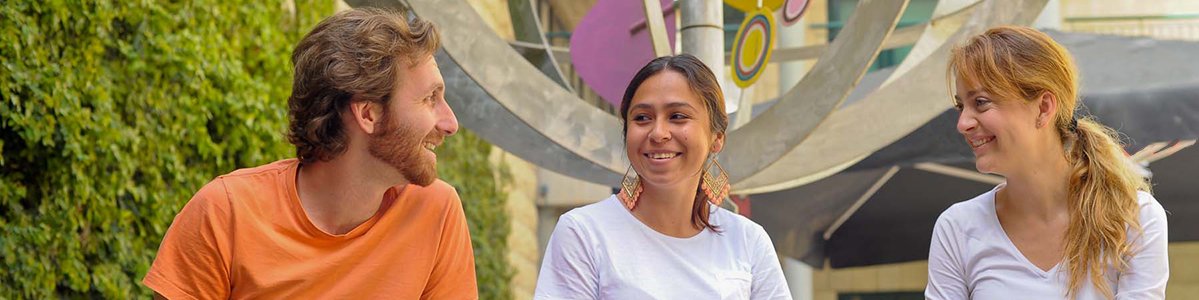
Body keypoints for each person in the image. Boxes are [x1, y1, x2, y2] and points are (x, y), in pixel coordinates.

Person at [143, 8, 478, 299]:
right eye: (430, 98)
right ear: (368, 114)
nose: (451, 123)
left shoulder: (436, 212)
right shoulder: (224, 213)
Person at [926, 26, 1169, 299]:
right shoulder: (957, 228)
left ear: (1043, 108)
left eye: (981, 103)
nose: (963, 124)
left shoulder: (1134, 217)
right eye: (961, 107)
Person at [533, 54, 792, 299]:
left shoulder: (747, 241)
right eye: (642, 118)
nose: (658, 133)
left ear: (717, 137)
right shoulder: (584, 233)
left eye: (677, 116)